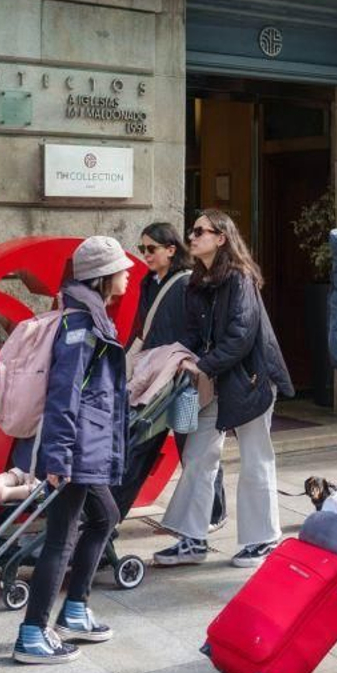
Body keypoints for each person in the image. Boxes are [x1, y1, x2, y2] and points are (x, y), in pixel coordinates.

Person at [13, 236, 133, 664]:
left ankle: (76, 610)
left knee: (106, 517)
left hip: (87, 447)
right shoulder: (82, 321)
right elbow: (65, 392)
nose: (128, 273)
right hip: (76, 449)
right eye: (121, 268)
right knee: (61, 539)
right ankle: (31, 634)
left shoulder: (91, 314)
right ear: (102, 276)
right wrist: (59, 458)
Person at [154, 211, 292, 568]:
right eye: (193, 230)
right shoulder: (198, 283)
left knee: (255, 457)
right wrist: (178, 357)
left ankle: (264, 538)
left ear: (221, 238)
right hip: (218, 379)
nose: (193, 235)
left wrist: (202, 364)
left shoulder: (239, 279)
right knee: (199, 455)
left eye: (201, 231)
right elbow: (194, 334)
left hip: (251, 379)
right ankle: (192, 538)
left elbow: (242, 336)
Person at [129, 222, 226, 527]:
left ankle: (214, 510)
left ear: (171, 250)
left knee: (191, 445)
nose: (145, 254)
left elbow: (199, 328)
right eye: (142, 248)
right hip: (155, 371)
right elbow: (141, 328)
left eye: (151, 249)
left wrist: (189, 360)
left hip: (181, 372)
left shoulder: (187, 283)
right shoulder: (148, 283)